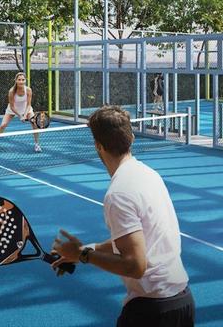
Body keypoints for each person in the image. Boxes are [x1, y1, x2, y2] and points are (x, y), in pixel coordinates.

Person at [51, 106, 194, 326]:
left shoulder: (118, 194)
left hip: (152, 312)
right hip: (182, 302)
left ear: (98, 146)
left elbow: (135, 266)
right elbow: (138, 238)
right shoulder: (149, 174)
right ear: (132, 138)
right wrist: (91, 249)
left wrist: (83, 256)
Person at [0, 72, 39, 153]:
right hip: (12, 110)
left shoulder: (28, 90)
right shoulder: (11, 91)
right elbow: (12, 106)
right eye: (19, 80)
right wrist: (20, 116)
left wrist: (25, 115)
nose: (21, 81)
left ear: (25, 80)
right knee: (3, 125)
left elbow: (29, 105)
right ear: (15, 80)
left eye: (23, 80)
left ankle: (37, 144)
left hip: (26, 109)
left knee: (35, 124)